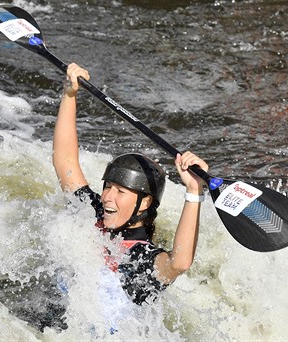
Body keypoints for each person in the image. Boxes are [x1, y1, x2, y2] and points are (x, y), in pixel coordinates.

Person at [52, 63, 209, 305]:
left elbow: (179, 262)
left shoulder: (143, 257)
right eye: (108, 187)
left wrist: (194, 191)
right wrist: (70, 94)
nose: (107, 197)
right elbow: (65, 161)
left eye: (121, 191)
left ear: (144, 202)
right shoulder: (92, 212)